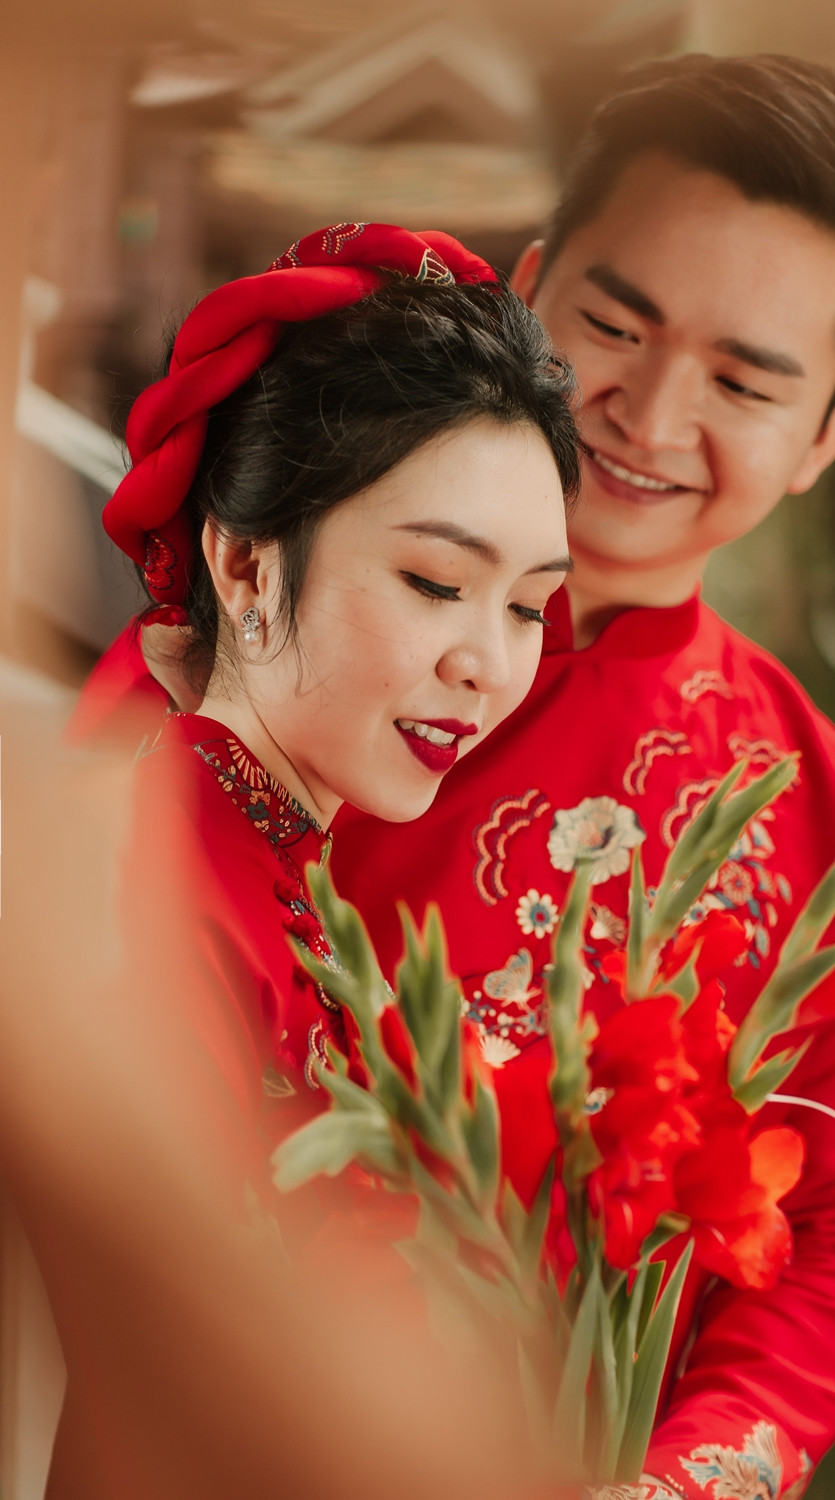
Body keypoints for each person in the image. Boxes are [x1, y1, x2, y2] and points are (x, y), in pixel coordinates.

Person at [327, 56, 835, 1498]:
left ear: (826, 434)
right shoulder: (275, 623)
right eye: (612, 326)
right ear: (528, 291)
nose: (649, 416)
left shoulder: (827, 812)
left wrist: (680, 1485)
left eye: (743, 381)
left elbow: (832, 1238)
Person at [37, 221, 579, 1491]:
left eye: (527, 606)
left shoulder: (273, 867)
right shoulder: (157, 889)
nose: (489, 663)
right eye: (436, 582)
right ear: (244, 563)